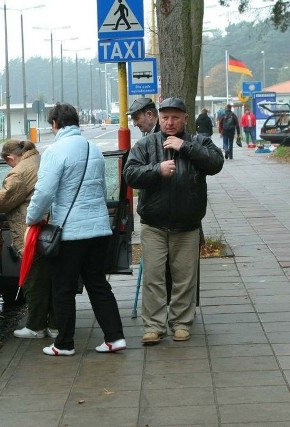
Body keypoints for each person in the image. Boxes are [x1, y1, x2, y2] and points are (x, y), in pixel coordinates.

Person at [26, 102, 126, 356]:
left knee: (63, 287)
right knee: (98, 284)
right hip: (99, 229)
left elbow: (44, 191)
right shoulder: (93, 148)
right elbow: (102, 188)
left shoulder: (55, 151)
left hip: (70, 232)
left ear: (55, 124)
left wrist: (32, 218)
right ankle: (115, 337)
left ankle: (64, 343)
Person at [123, 97, 224, 345]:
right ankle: (154, 326)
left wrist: (185, 147)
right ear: (159, 117)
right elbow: (130, 174)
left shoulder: (199, 142)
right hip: (154, 225)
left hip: (187, 225)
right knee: (154, 277)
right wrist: (156, 170)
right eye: (165, 117)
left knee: (184, 278)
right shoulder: (147, 145)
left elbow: (216, 163)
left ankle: (180, 322)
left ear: (185, 119)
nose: (169, 122)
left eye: (175, 117)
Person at [0, 140, 58, 340]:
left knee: (33, 282)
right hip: (49, 230)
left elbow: (2, 201)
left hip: (31, 233)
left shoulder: (18, 173)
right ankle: (56, 325)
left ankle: (36, 326)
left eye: (8, 163)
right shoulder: (39, 159)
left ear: (10, 158)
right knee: (51, 280)